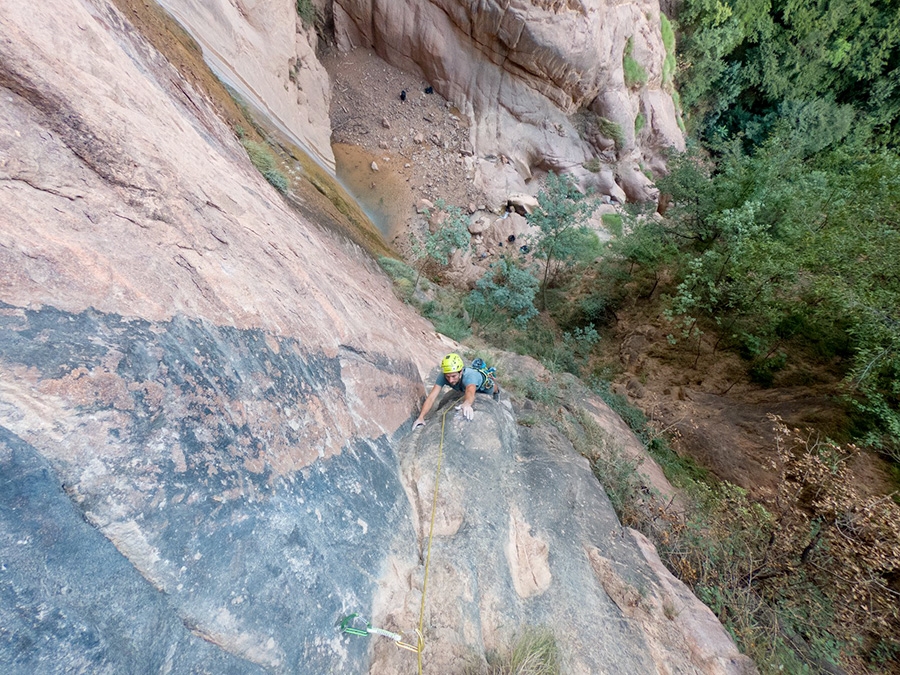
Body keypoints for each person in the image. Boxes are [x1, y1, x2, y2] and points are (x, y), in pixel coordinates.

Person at [412, 353, 499, 428]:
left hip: (483, 386)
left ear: (460, 371)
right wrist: (421, 417)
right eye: (447, 376)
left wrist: (467, 404)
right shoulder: (443, 376)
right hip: (464, 386)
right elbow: (431, 397)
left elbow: (470, 391)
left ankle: (497, 391)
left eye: (453, 376)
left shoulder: (470, 377)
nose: (450, 380)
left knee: (492, 389)